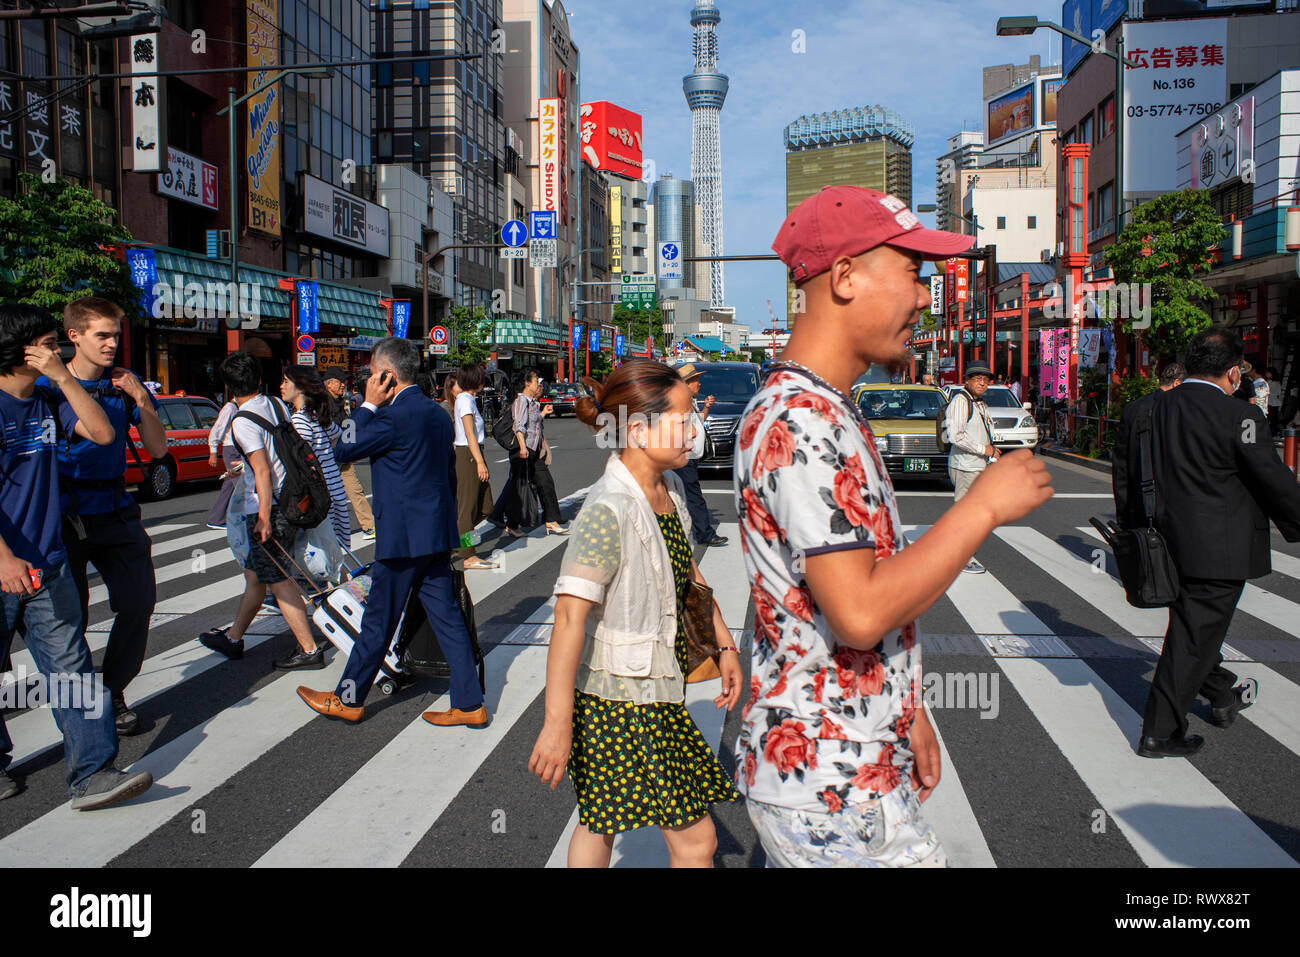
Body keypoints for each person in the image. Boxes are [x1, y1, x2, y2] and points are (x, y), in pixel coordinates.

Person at [735, 186, 1053, 867]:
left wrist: (907, 707)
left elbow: (814, 604)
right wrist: (982, 506)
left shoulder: (824, 406)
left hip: (846, 761)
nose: (923, 296)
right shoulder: (802, 418)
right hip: (830, 785)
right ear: (845, 276)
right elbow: (858, 609)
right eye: (913, 271)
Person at [528, 360, 743, 867]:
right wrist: (557, 724)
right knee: (697, 842)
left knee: (600, 822)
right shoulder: (610, 509)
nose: (695, 430)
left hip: (656, 687)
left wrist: (724, 646)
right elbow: (567, 619)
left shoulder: (665, 494)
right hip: (624, 699)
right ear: (641, 429)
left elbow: (690, 576)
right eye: (684, 418)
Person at [1115, 326, 1300, 758]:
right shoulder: (1241, 416)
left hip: (1159, 541)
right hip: (1220, 549)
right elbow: (1272, 480)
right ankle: (1160, 732)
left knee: (1192, 630)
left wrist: (1131, 534)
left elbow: (1125, 476)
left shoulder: (1147, 409)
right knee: (1193, 638)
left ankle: (1221, 692)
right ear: (1234, 372)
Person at [0, 303, 154, 809]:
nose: (58, 352)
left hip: (49, 559)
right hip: (6, 561)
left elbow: (106, 434)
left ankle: (93, 773)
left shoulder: (49, 399)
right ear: (22, 349)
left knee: (73, 667)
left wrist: (64, 379)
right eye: (50, 344)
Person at [297, 337, 486, 726]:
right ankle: (470, 703)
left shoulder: (390, 416)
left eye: (372, 374)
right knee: (448, 619)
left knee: (378, 621)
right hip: (434, 534)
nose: (368, 379)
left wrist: (366, 405)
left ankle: (348, 698)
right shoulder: (437, 413)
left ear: (386, 375)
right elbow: (447, 475)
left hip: (402, 539)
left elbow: (342, 450)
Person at [43, 298, 166, 737]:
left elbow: (156, 450)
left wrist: (140, 399)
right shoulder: (49, 388)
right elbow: (94, 432)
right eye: (102, 335)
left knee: (138, 602)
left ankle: (113, 690)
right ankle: (81, 713)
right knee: (68, 620)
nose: (113, 343)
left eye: (115, 334)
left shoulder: (123, 384)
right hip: (65, 514)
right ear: (73, 336)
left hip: (116, 509)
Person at [199, 352, 325, 671]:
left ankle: (309, 650)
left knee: (278, 577)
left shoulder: (241, 421)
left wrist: (265, 518)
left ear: (229, 388)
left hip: (272, 506)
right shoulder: (275, 404)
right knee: (257, 575)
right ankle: (234, 638)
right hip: (294, 496)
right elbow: (274, 454)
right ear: (258, 380)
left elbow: (264, 471)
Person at [281, 366, 350, 550]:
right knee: (335, 554)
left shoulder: (299, 421)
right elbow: (337, 436)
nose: (282, 386)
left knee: (319, 558)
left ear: (301, 387)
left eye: (286, 381)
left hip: (318, 495)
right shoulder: (317, 415)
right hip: (334, 488)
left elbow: (302, 462)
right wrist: (326, 458)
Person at [493, 370, 565, 536]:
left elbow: (533, 424)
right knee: (520, 489)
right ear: (526, 383)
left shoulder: (532, 403)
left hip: (533, 451)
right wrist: (523, 447)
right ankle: (508, 521)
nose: (537, 384)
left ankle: (550, 520)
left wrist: (542, 414)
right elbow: (519, 426)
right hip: (523, 451)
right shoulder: (521, 401)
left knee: (544, 483)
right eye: (534, 381)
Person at [944, 361, 999, 574]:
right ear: (966, 380)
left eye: (985, 380)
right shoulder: (960, 401)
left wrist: (990, 452)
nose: (982, 383)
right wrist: (983, 449)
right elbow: (955, 435)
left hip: (976, 465)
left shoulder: (979, 403)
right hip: (964, 465)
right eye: (977, 378)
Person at [670, 363, 727, 547]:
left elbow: (698, 422)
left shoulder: (689, 401)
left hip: (689, 456)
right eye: (696, 380)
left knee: (682, 495)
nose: (699, 384)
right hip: (683, 456)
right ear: (686, 384)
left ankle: (690, 531)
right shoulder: (680, 403)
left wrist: (706, 408)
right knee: (693, 496)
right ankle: (705, 534)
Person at [452, 364, 498, 570]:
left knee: (486, 506)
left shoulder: (469, 399)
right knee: (467, 508)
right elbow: (469, 434)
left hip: (473, 454)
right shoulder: (464, 400)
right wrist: (479, 462)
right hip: (468, 455)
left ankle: (457, 542)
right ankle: (468, 555)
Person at [323, 366, 375, 540]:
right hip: (328, 456)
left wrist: (351, 447)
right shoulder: (323, 402)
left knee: (355, 489)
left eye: (344, 382)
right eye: (340, 382)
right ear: (329, 384)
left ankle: (369, 525)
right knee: (327, 494)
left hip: (342, 454)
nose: (343, 385)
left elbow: (347, 424)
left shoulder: (340, 401)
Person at [206, 394, 241, 528]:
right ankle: (245, 519)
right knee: (241, 484)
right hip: (231, 449)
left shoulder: (237, 408)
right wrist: (213, 451)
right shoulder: (230, 408)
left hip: (235, 449)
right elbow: (217, 429)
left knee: (230, 485)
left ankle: (216, 518)